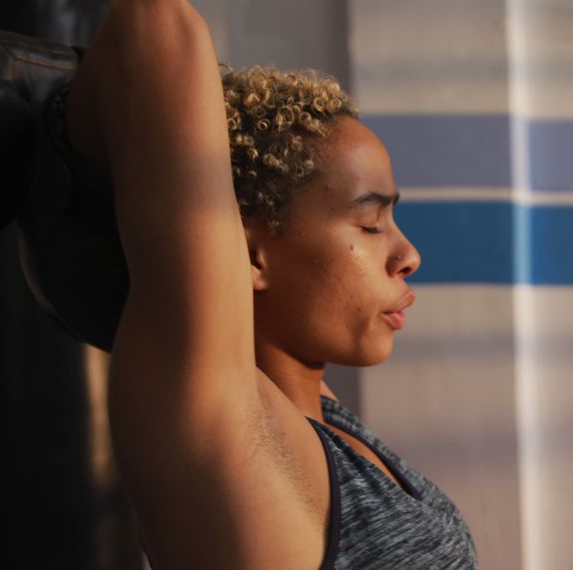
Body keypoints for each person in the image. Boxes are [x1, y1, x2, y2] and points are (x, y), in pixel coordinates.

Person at [58, 0, 478, 567]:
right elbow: (153, 25)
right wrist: (62, 134)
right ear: (250, 255)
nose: (409, 255)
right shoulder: (231, 429)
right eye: (370, 223)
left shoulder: (319, 417)